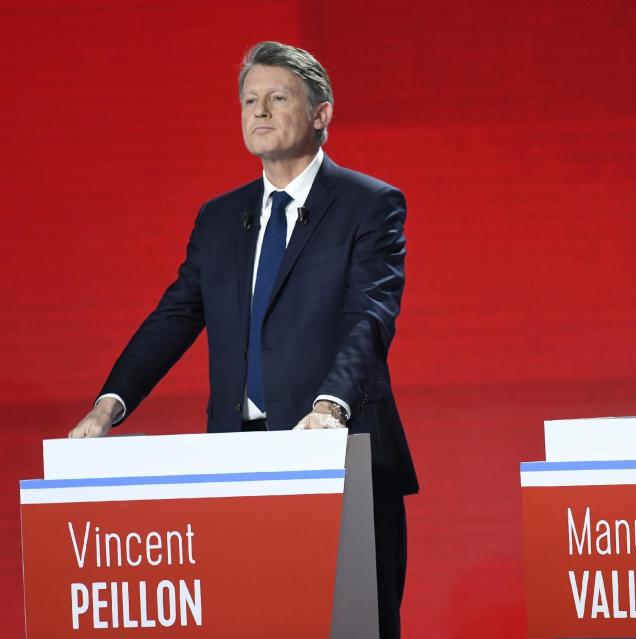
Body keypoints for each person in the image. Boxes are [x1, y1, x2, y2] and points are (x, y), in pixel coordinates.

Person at [67, 41, 417, 638]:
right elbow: (175, 316)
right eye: (249, 100)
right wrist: (109, 406)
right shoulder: (219, 218)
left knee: (353, 625)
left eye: (277, 98)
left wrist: (330, 407)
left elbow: (369, 316)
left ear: (320, 114)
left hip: (340, 453)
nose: (259, 111)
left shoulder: (369, 205)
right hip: (238, 457)